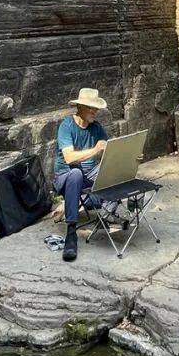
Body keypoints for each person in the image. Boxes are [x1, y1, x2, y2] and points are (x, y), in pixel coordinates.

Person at [54, 88, 108, 263]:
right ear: (80, 107)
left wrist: (126, 157)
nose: (95, 112)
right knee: (76, 173)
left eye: (96, 109)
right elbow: (69, 157)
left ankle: (105, 210)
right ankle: (71, 232)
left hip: (89, 176)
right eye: (91, 108)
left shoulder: (96, 128)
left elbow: (108, 151)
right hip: (66, 176)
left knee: (111, 168)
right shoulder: (66, 126)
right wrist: (95, 150)